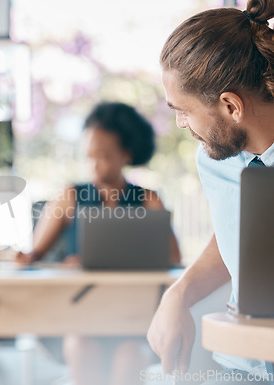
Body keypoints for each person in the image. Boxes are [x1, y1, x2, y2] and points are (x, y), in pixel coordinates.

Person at [147, 1, 274, 384]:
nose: (181, 123)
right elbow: (237, 239)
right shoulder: (216, 160)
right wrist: (179, 294)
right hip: (242, 366)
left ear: (231, 106)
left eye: (183, 110)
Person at [17, 102, 181, 385]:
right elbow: (35, 257)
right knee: (83, 348)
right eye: (89, 157)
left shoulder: (149, 200)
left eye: (103, 156)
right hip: (79, 315)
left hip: (133, 317)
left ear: (126, 154)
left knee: (131, 355)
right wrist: (57, 265)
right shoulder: (69, 197)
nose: (94, 165)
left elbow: (175, 261)